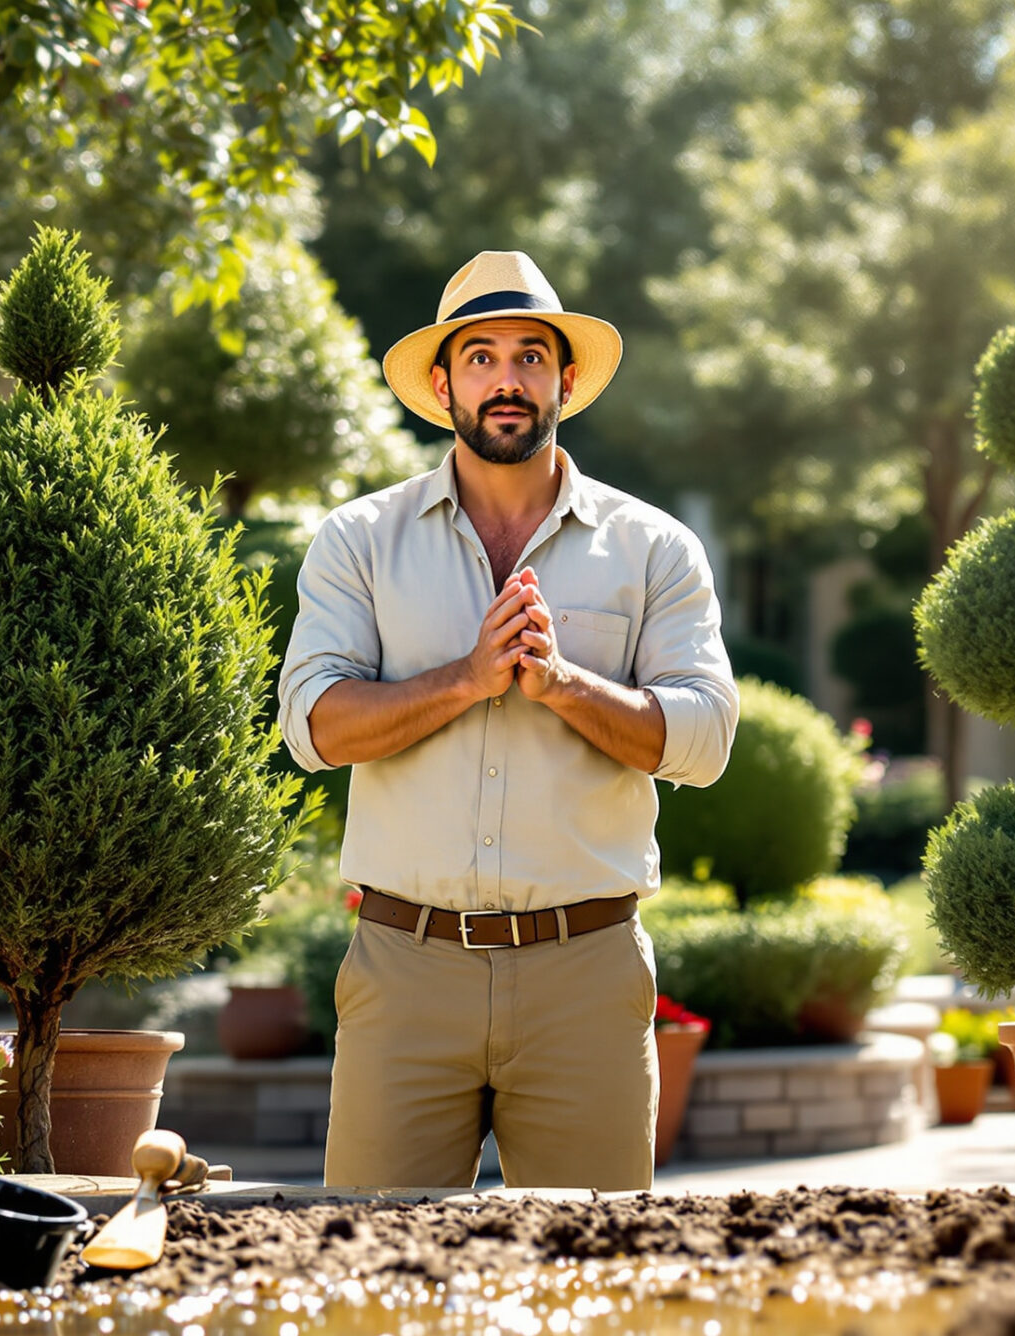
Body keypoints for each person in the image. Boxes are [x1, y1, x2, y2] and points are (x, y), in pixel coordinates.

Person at [276, 250, 738, 1190]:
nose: (507, 380)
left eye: (531, 356)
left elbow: (704, 739)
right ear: (442, 383)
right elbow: (313, 726)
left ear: (566, 379)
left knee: (596, 1290)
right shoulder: (358, 541)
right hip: (405, 970)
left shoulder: (654, 549)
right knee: (372, 1284)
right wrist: (468, 679)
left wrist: (563, 684)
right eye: (481, 358)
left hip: (587, 972)